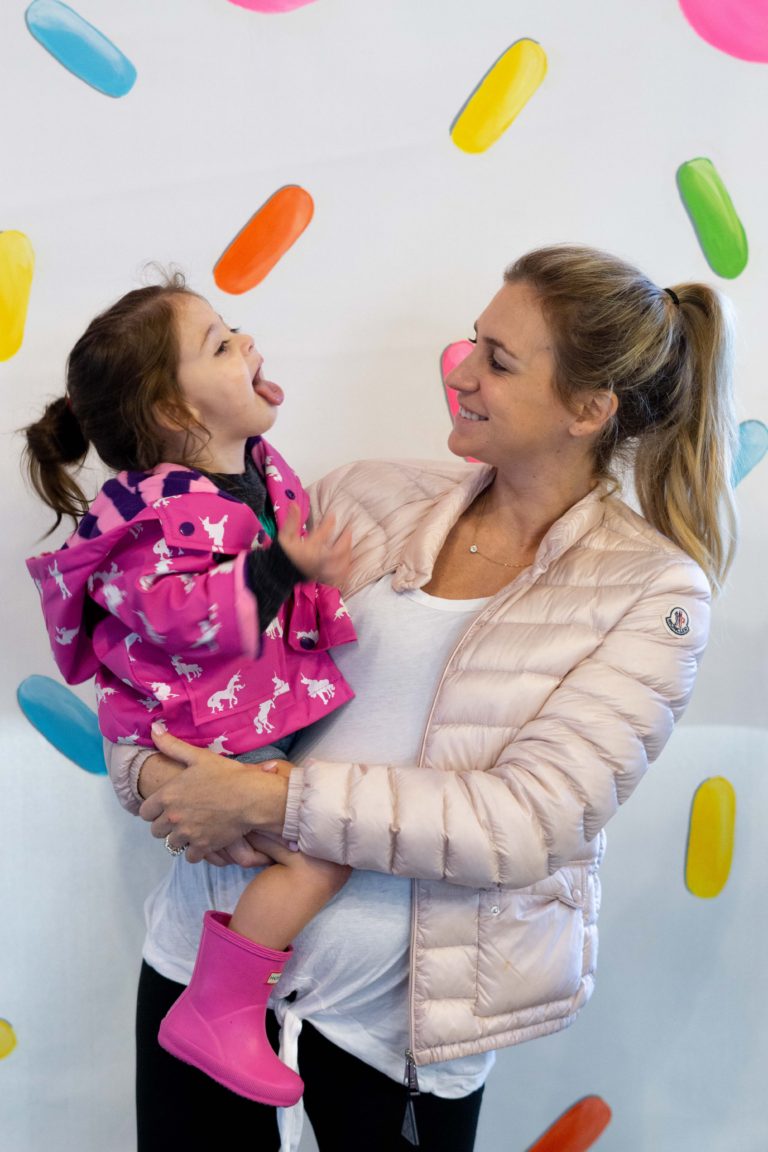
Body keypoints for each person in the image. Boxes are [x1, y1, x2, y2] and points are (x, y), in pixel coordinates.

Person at [110, 244, 734, 1152]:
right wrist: (151, 780)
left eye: (499, 361)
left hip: (391, 1042)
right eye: (472, 342)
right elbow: (167, 645)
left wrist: (263, 800)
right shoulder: (363, 496)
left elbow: (524, 822)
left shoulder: (653, 593)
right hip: (194, 975)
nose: (462, 372)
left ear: (589, 411)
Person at [23, 277, 361, 1107]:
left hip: (228, 722)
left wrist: (245, 400)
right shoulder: (147, 518)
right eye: (220, 345)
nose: (246, 347)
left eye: (236, 331)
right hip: (195, 732)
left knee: (311, 841)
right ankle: (218, 1010)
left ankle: (228, 1004)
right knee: (318, 856)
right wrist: (283, 569)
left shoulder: (236, 464)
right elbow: (183, 616)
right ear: (178, 417)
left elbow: (253, 480)